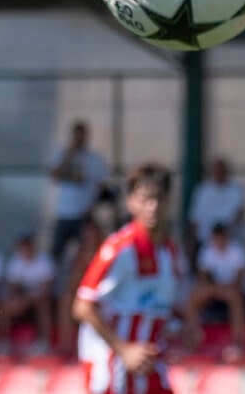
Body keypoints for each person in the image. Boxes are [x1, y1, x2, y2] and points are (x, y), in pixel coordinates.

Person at [73, 163, 181, 394]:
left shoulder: (170, 252)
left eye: (158, 199)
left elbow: (157, 306)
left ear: (169, 201)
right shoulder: (120, 249)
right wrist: (123, 349)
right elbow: (82, 306)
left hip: (150, 365)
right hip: (111, 367)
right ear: (131, 202)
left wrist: (186, 328)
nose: (152, 207)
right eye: (145, 200)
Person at [183, 223, 245, 362]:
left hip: (231, 290)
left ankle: (238, 343)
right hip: (213, 291)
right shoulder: (207, 251)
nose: (218, 241)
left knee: (235, 298)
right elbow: (202, 277)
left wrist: (223, 288)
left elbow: (240, 280)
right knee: (193, 298)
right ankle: (192, 339)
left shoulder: (236, 251)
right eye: (216, 238)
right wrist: (214, 288)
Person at [48, 120, 110, 263]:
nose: (78, 140)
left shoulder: (94, 159)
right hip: (64, 212)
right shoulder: (61, 155)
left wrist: (92, 206)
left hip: (83, 214)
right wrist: (68, 157)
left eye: (81, 136)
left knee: (87, 251)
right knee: (56, 253)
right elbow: (54, 176)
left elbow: (102, 186)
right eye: (76, 136)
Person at [0, 232, 56, 357]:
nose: (24, 248)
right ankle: (3, 342)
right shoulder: (16, 261)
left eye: (27, 245)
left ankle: (44, 343)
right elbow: (11, 287)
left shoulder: (44, 261)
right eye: (22, 245)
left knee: (43, 306)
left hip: (39, 300)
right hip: (23, 301)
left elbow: (47, 289)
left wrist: (27, 300)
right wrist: (16, 300)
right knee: (4, 306)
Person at [57, 217, 105, 357]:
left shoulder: (106, 250)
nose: (89, 238)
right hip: (85, 295)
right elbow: (74, 282)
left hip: (103, 293)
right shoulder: (80, 253)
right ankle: (66, 346)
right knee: (66, 300)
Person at [186, 158, 245, 268]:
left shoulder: (236, 190)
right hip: (205, 242)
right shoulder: (202, 191)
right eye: (216, 171)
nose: (219, 174)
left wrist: (224, 235)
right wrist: (192, 241)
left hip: (230, 242)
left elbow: (240, 213)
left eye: (222, 171)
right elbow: (194, 219)